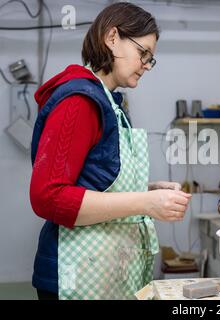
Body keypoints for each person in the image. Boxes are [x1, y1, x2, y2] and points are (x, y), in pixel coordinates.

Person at [29, 2, 191, 300]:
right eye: (144, 53)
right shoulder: (79, 101)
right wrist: (145, 202)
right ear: (112, 37)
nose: (146, 64)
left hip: (104, 271)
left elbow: (94, 181)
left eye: (150, 59)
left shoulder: (111, 104)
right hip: (74, 276)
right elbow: (48, 197)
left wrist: (148, 189)